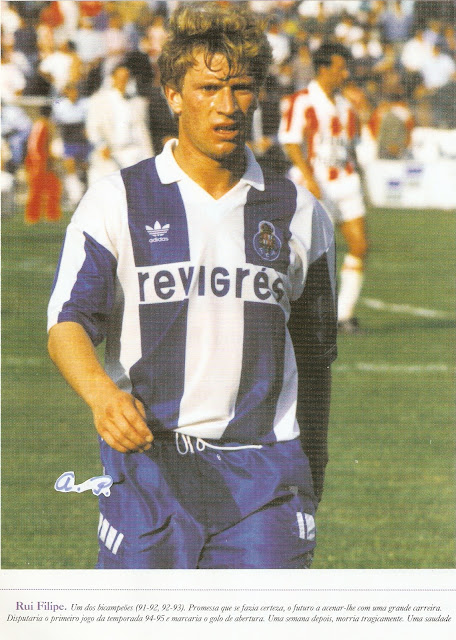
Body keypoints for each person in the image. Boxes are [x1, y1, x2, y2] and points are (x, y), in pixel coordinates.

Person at [47, 1, 337, 570]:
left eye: (241, 88)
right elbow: (68, 322)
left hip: (265, 477)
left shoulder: (300, 212)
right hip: (149, 469)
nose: (227, 106)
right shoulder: (117, 200)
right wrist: (103, 396)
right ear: (174, 95)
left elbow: (315, 356)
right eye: (208, 88)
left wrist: (315, 462)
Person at [278, 42, 367, 333]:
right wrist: (308, 178)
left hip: (345, 181)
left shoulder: (346, 105)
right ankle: (306, 315)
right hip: (316, 183)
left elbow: (351, 146)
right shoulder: (302, 101)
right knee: (316, 254)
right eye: (341, 68)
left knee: (360, 245)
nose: (345, 74)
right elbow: (291, 142)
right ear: (324, 69)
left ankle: (344, 314)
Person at [85, 63, 153, 184]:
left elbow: (142, 132)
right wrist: (101, 145)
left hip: (133, 153)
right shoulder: (99, 100)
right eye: (120, 77)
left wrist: (149, 157)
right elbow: (92, 128)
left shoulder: (137, 103)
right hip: (110, 154)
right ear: (113, 78)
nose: (123, 81)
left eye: (126, 78)